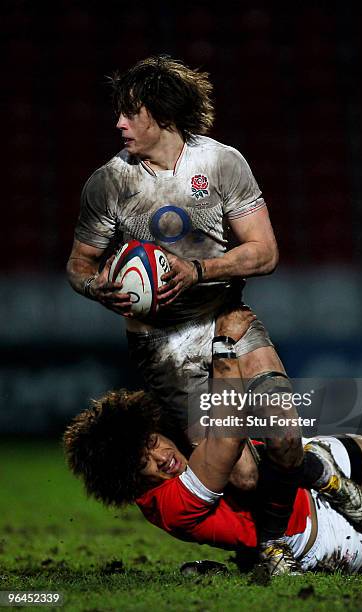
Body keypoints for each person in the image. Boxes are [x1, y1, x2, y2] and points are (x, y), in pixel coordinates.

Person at [65, 55, 303, 480]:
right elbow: (79, 265)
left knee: (286, 440)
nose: (119, 123)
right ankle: (269, 540)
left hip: (226, 317)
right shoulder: (108, 183)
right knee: (241, 475)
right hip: (161, 345)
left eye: (130, 113)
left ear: (164, 113)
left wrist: (197, 270)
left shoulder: (221, 163)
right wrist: (94, 287)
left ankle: (318, 484)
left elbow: (264, 252)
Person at [64, 311, 362, 576]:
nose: (161, 457)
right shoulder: (170, 505)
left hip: (288, 461)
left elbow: (157, 359)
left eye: (153, 441)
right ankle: (269, 541)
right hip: (306, 536)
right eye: (143, 463)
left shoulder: (173, 432)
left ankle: (316, 470)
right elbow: (227, 437)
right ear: (130, 479)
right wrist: (223, 346)